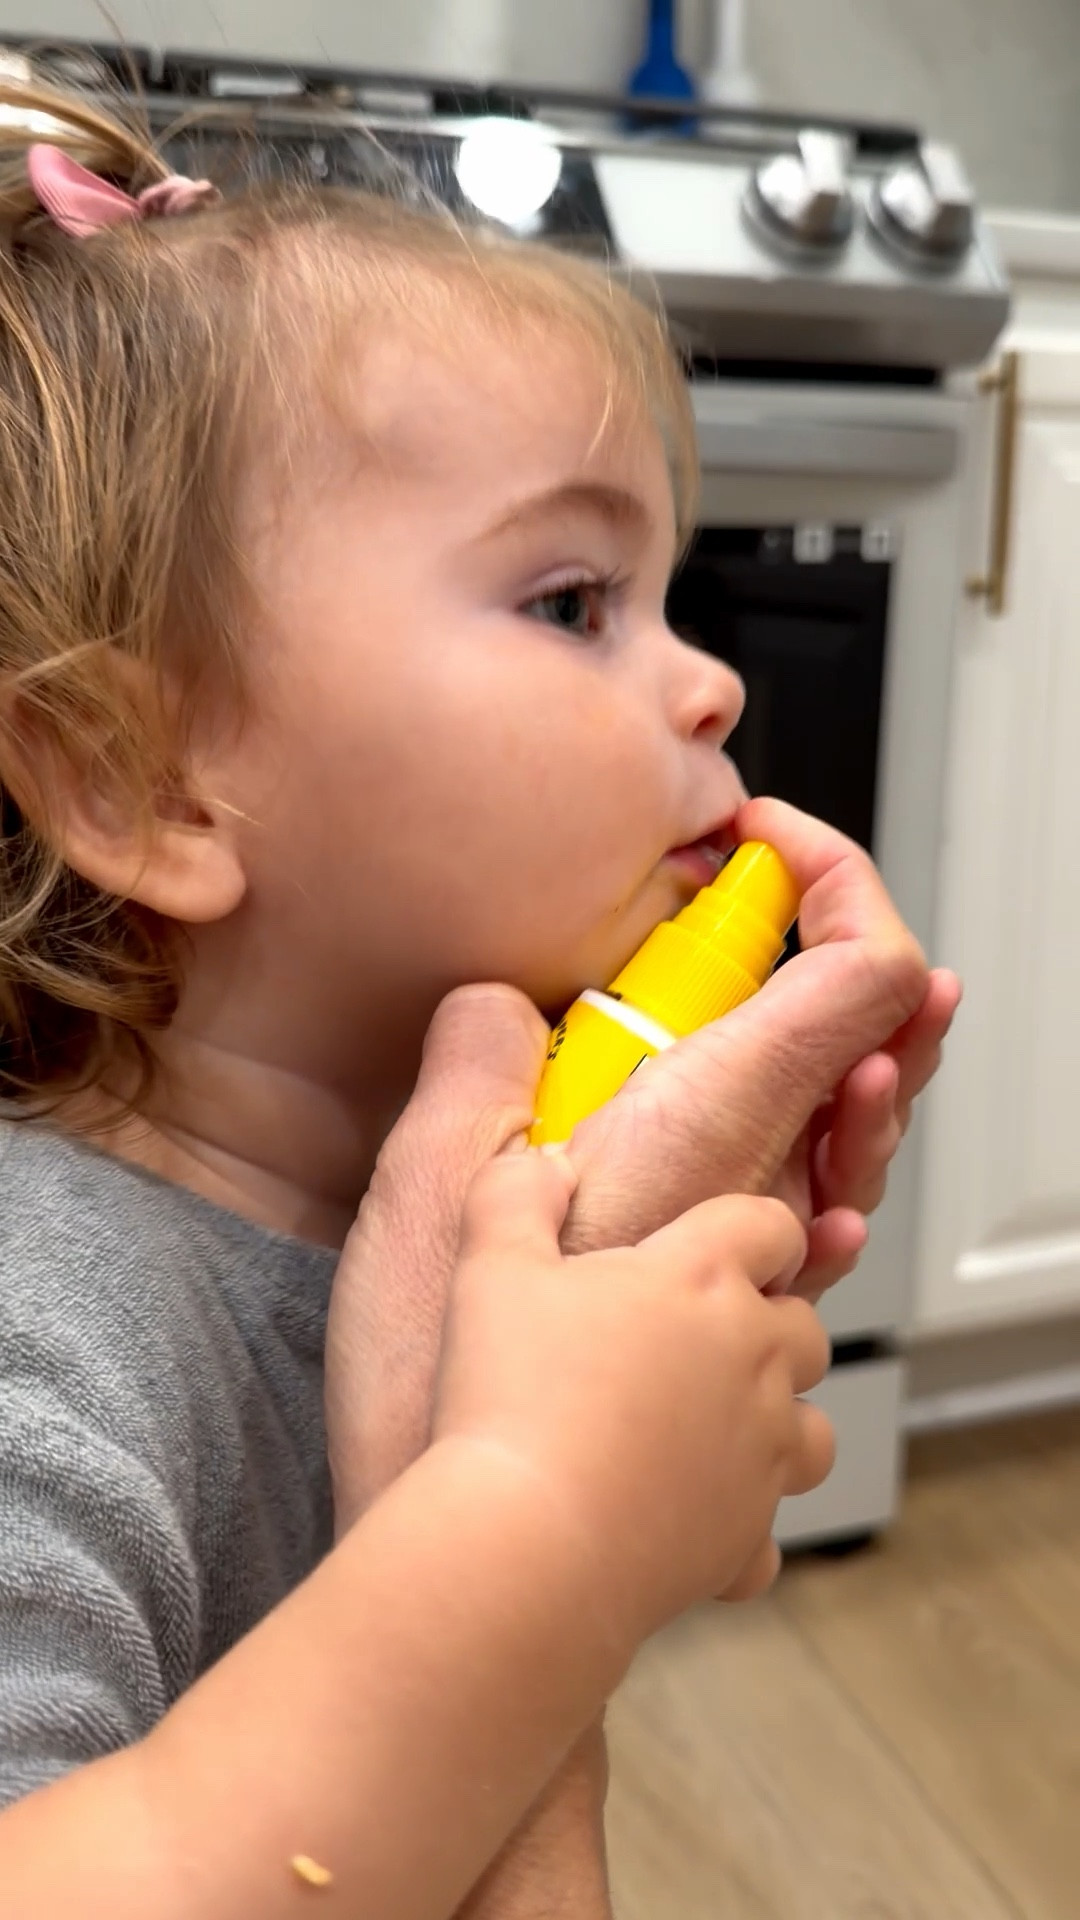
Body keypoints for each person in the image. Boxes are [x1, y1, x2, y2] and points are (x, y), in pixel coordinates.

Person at [0, 71, 959, 1918]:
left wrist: (634, 1253)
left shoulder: (425, 1185)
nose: (712, 692)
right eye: (575, 599)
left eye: (673, 600)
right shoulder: (46, 1335)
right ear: (144, 781)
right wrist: (547, 1516)